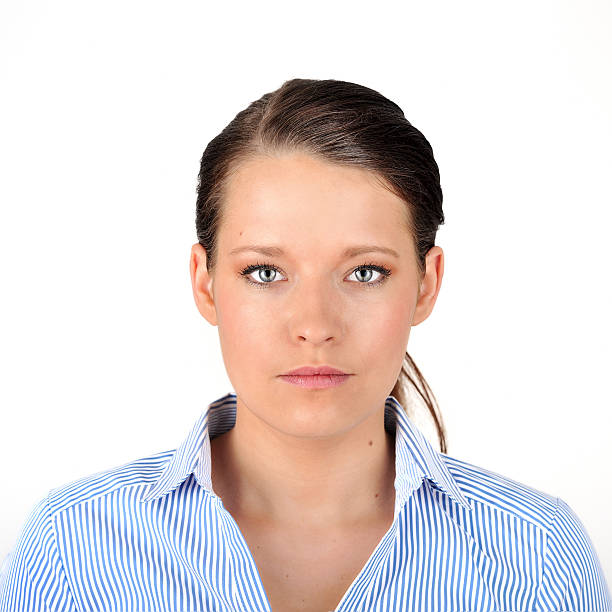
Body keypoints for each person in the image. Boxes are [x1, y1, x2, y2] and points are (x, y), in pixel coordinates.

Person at [0, 78, 610, 612]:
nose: (314, 325)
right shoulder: (73, 550)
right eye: (265, 272)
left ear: (427, 284)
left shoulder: (536, 558)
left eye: (365, 272)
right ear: (204, 283)